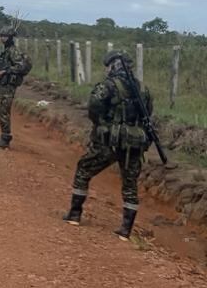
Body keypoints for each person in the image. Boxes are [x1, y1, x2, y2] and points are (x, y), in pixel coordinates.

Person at [63, 49, 155, 241]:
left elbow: (94, 108)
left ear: (113, 66)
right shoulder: (142, 88)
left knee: (84, 169)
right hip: (134, 143)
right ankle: (126, 229)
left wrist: (103, 124)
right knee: (130, 184)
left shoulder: (108, 86)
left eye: (108, 66)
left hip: (110, 142)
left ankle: (74, 214)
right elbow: (148, 112)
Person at [0, 25, 31, 150]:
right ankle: (4, 137)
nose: (2, 38)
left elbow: (21, 67)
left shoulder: (13, 51)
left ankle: (5, 139)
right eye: (1, 36)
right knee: (2, 111)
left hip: (9, 86)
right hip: (4, 84)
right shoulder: (6, 51)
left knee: (3, 112)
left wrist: (4, 72)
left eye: (5, 36)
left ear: (10, 37)